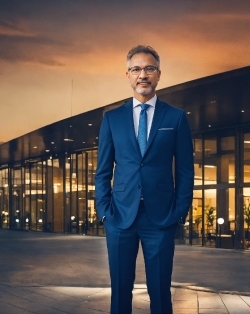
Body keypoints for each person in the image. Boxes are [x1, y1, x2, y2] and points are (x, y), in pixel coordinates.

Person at [95, 45, 194, 313]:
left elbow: (185, 170)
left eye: (149, 68)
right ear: (127, 75)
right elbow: (103, 171)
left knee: (161, 291)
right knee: (120, 292)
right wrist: (104, 211)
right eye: (136, 69)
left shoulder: (175, 118)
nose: (143, 75)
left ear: (159, 74)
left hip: (160, 218)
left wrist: (179, 211)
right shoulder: (112, 119)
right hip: (119, 217)